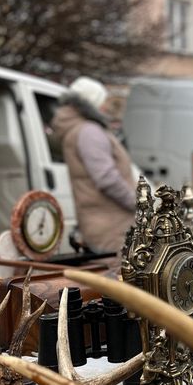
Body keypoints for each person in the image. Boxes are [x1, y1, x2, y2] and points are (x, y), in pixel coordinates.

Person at [51, 77, 136, 264]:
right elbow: (106, 178)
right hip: (112, 225)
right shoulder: (90, 132)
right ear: (91, 103)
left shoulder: (80, 129)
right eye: (102, 100)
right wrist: (138, 203)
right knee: (117, 284)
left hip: (101, 222)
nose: (105, 106)